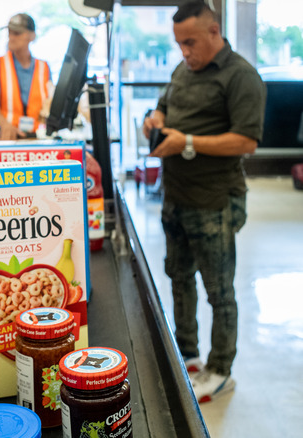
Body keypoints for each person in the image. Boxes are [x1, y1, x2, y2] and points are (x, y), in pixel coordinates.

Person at [142, 0, 265, 403]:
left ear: (214, 32)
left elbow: (246, 141)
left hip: (214, 201)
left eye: (191, 42)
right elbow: (164, 104)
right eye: (179, 44)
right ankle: (189, 353)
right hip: (175, 196)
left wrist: (188, 142)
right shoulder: (183, 69)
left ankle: (220, 369)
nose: (185, 52)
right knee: (178, 279)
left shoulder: (241, 76)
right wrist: (156, 119)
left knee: (219, 291)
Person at [0, 13, 55, 140]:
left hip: (37, 138)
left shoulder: (44, 67)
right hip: (9, 137)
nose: (11, 37)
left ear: (32, 36)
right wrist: (6, 126)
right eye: (9, 32)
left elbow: (49, 103)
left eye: (17, 33)